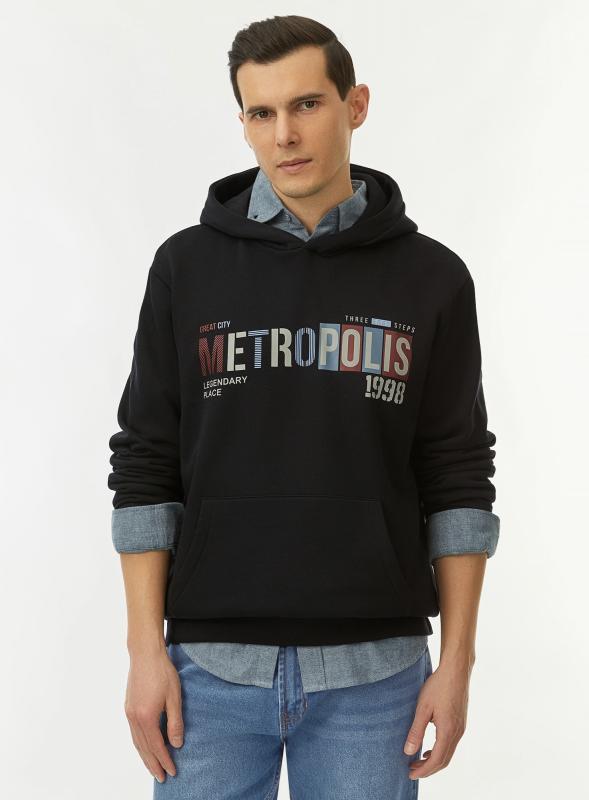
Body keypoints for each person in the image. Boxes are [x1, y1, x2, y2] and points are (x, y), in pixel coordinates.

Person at [107, 14, 500, 799]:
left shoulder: (432, 278)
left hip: (377, 678)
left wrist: (456, 663)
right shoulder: (186, 267)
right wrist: (144, 652)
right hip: (208, 675)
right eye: (260, 113)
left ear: (355, 105)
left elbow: (457, 473)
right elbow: (146, 460)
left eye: (306, 105)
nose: (283, 134)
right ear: (244, 123)